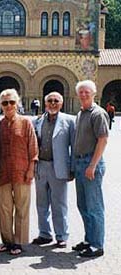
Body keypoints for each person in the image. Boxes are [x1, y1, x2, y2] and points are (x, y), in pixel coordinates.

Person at [0, 89, 38, 256]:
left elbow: (33, 147)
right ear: (0, 105)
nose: (8, 105)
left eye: (12, 102)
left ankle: (18, 242)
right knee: (5, 208)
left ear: (18, 104)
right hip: (3, 172)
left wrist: (31, 169)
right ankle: (7, 241)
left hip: (22, 172)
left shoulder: (26, 123)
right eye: (5, 103)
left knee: (22, 207)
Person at [31, 92, 75, 248]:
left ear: (61, 104)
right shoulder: (37, 120)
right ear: (45, 103)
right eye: (49, 101)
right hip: (41, 166)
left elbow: (74, 147)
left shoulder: (69, 121)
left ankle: (61, 235)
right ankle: (44, 234)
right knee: (41, 203)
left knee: (59, 203)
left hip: (59, 167)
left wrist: (72, 168)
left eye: (56, 101)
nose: (53, 103)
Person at [72, 80, 109, 257]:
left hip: (90, 163)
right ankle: (89, 239)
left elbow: (103, 140)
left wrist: (93, 165)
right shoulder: (81, 113)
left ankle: (97, 245)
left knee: (94, 206)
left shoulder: (98, 113)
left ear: (94, 94)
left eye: (87, 92)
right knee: (83, 205)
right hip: (80, 163)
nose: (84, 94)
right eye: (81, 92)